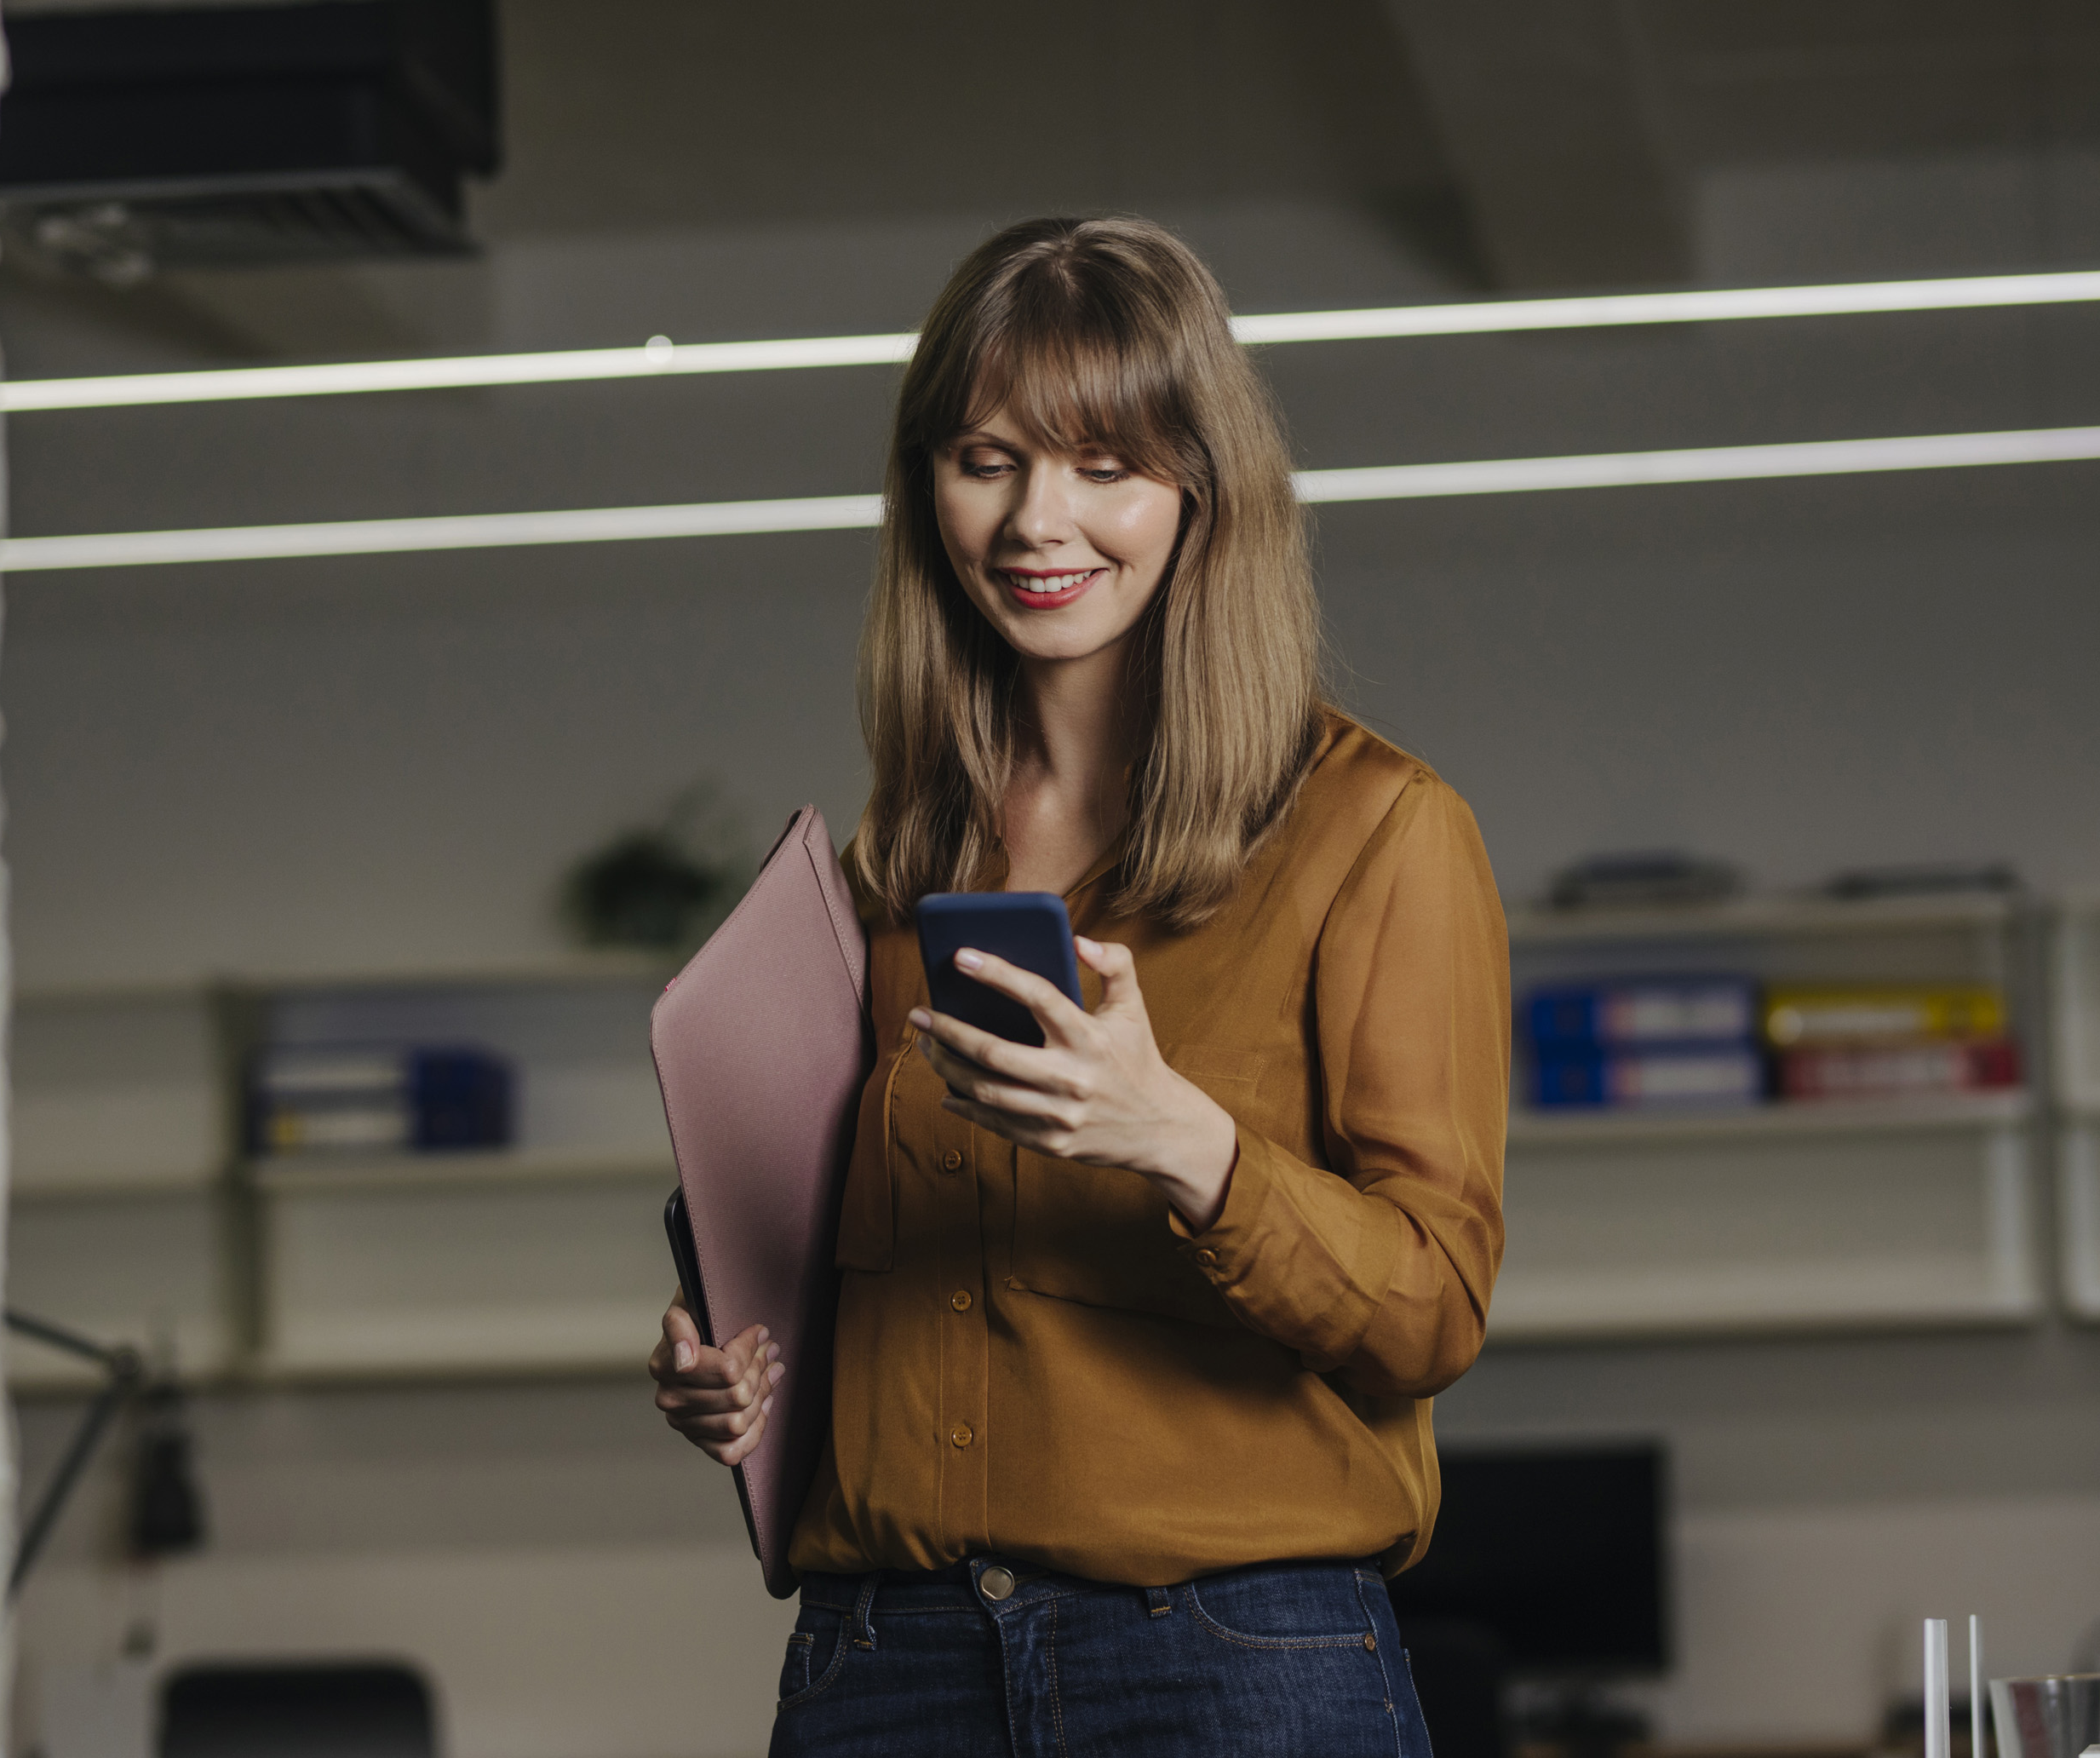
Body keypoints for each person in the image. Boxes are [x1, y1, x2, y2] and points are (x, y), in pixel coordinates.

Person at [646, 215, 1510, 1757]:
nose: (1039, 521)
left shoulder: (1374, 832)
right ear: (927, 489)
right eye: (987, 461)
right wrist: (743, 1371)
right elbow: (873, 1261)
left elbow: (1434, 1310)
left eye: (1104, 465)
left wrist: (1181, 1140)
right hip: (886, 1661)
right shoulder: (895, 862)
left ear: (1199, 488)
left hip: (1231, 1662)